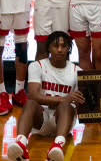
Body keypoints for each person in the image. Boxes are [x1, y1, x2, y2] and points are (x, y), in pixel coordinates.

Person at [7, 31, 83, 161]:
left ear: (68, 48)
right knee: (30, 102)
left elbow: (79, 103)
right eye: (55, 46)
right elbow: (34, 95)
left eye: (63, 46)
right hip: (40, 119)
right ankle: (21, 143)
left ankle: (58, 145)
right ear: (48, 47)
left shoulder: (78, 71)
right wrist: (63, 98)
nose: (59, 50)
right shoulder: (37, 66)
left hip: (62, 120)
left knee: (66, 106)